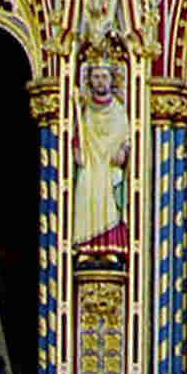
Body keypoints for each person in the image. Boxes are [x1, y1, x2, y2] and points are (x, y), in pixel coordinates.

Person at [72, 61, 130, 250]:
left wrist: (123, 151)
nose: (100, 81)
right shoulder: (84, 110)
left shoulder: (119, 110)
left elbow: (127, 137)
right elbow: (75, 134)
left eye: (104, 77)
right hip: (90, 165)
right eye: (96, 77)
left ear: (112, 80)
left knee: (111, 205)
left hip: (110, 167)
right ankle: (87, 247)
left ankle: (110, 248)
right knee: (87, 202)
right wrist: (77, 149)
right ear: (89, 80)